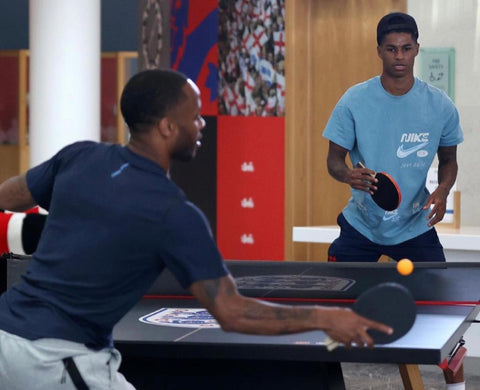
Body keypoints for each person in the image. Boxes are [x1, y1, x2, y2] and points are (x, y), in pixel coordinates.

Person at [0, 69, 392, 389]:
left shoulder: (78, 157)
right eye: (196, 115)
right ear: (169, 127)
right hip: (54, 358)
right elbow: (232, 313)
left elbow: (9, 195)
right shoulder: (172, 211)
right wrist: (326, 318)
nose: (202, 124)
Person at [323, 12, 465, 389]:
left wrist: (442, 190)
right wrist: (347, 174)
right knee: (330, 310)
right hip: (361, 225)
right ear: (379, 52)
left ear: (417, 49)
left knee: (446, 312)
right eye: (391, 49)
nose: (399, 56)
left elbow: (449, 161)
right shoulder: (354, 101)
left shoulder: (440, 106)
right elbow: (335, 160)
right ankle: (325, 381)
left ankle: (458, 385)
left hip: (415, 226)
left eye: (406, 48)